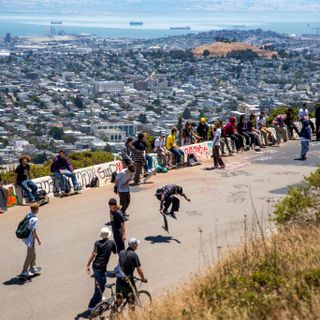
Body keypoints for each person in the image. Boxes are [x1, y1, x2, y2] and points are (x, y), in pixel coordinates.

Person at [86, 227, 117, 311]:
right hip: (101, 268)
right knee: (102, 286)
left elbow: (94, 254)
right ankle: (92, 305)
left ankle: (99, 299)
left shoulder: (97, 243)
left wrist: (88, 265)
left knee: (97, 284)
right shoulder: (111, 243)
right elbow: (115, 252)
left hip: (95, 266)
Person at [116, 238, 147, 304]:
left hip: (119, 279)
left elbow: (120, 264)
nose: (137, 246)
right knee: (131, 300)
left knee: (119, 301)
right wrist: (143, 279)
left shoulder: (121, 252)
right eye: (136, 245)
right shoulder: (134, 255)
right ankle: (132, 314)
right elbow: (139, 269)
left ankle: (114, 313)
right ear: (134, 246)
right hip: (128, 281)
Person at [20, 202, 41, 277]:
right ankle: (24, 271)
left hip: (26, 237)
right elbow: (34, 232)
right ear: (37, 210)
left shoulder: (29, 214)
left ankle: (32, 267)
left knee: (33, 253)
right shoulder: (35, 219)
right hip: (30, 239)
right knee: (29, 255)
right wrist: (38, 240)